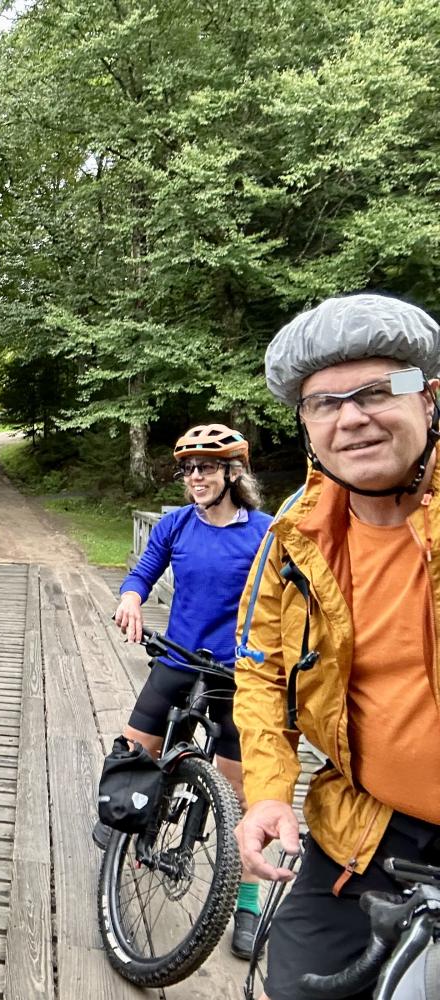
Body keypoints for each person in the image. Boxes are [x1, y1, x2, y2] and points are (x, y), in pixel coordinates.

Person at [234, 293, 440, 1000]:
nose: (351, 417)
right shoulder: (299, 528)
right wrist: (266, 794)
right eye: (324, 403)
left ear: (430, 395)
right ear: (306, 425)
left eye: (378, 391)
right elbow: (261, 667)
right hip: (362, 827)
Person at [98, 423, 273, 959]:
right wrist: (130, 598)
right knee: (130, 753)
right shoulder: (175, 524)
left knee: (239, 797)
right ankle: (128, 827)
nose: (195, 477)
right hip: (177, 658)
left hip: (235, 674)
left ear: (232, 473)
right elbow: (144, 571)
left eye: (207, 467)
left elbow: (286, 595)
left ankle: (245, 902)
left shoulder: (265, 530)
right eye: (189, 469)